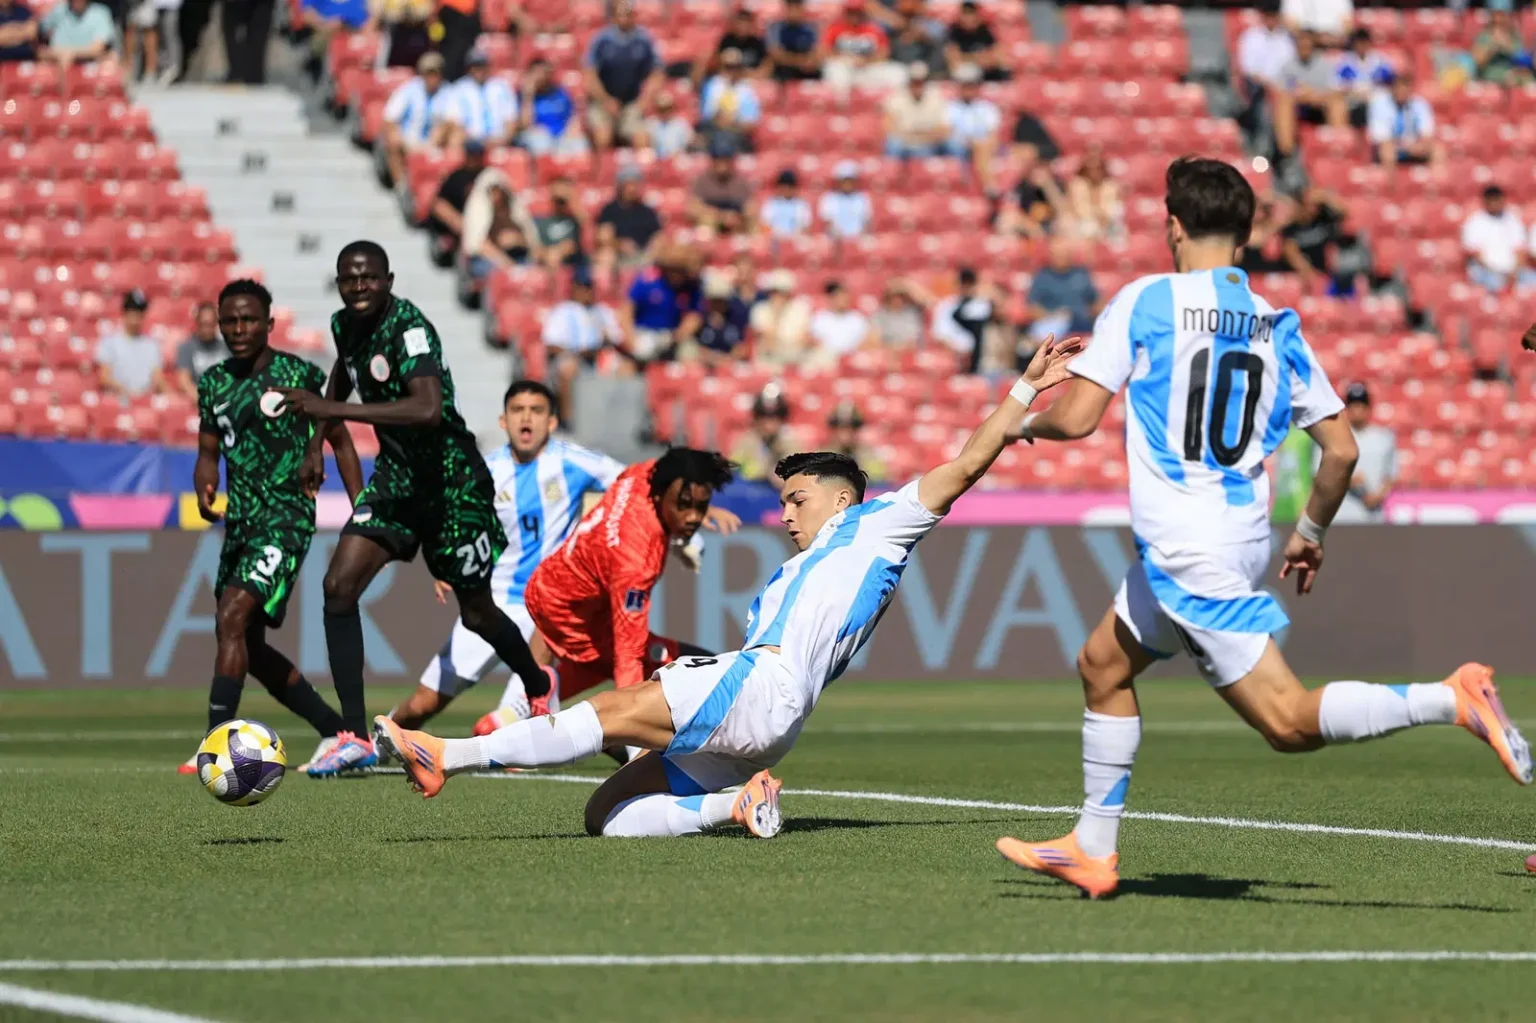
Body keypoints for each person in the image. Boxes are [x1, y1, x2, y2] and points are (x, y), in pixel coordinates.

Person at [995, 156, 1531, 900]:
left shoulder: (1145, 300)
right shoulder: (1277, 325)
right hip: (1234, 537)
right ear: (1245, 237)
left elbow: (1079, 417)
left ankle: (1452, 697)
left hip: (1187, 546)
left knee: (1285, 722)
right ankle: (1091, 845)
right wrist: (1310, 531)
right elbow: (1340, 449)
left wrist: (1016, 427)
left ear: (1172, 226)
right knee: (1102, 666)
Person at [373, 339, 1084, 840]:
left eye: (799, 498)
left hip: (760, 684)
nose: (786, 513)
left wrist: (1024, 388)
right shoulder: (803, 564)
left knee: (613, 708)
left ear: (842, 499)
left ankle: (447, 755)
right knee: (608, 814)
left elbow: (962, 466)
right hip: (772, 716)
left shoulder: (877, 524)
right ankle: (734, 804)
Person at [274, 241, 553, 776]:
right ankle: (352, 735)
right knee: (338, 588)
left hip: (451, 482)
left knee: (476, 614)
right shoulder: (344, 326)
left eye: (369, 278)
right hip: (399, 481)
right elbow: (340, 373)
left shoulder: (410, 328)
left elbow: (426, 408)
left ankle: (537, 685)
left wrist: (332, 410)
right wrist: (316, 443)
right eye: (349, 279)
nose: (359, 287)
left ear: (389, 279)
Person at [184, 279, 364, 774]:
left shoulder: (297, 375)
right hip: (240, 523)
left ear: (268, 323)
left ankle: (213, 744)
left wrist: (361, 512)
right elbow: (207, 452)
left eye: (248, 320)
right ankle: (336, 731)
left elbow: (341, 442)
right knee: (251, 647)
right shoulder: (214, 382)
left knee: (231, 617)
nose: (238, 329)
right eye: (229, 320)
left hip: (284, 521)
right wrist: (204, 484)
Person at [396, 380, 624, 731]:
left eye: (536, 411)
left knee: (523, 713)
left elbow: (634, 482)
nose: (526, 419)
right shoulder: (484, 471)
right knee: (420, 705)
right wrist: (445, 567)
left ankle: (514, 722)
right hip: (492, 604)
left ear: (551, 422)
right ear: (504, 421)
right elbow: (454, 524)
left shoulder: (574, 462)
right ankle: (375, 744)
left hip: (547, 604)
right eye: (518, 411)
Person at [508, 448, 737, 710]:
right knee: (663, 661)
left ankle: (514, 714)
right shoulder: (637, 559)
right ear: (661, 495)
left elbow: (674, 481)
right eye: (684, 505)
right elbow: (629, 655)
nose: (694, 517)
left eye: (701, 506)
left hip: (557, 584)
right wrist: (631, 721)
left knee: (597, 667)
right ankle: (606, 736)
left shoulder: (643, 474)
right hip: (571, 613)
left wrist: (691, 517)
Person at [542, 266, 623, 419]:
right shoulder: (563, 311)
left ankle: (614, 419)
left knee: (624, 368)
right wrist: (578, 352)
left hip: (599, 356)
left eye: (589, 287)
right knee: (568, 368)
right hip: (573, 357)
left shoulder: (602, 311)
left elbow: (616, 337)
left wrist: (606, 339)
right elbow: (551, 345)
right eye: (582, 287)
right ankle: (570, 420)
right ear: (574, 288)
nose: (587, 291)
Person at [584, 2, 660, 152]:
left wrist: (644, 101)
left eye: (628, 14)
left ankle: (639, 174)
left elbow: (656, 73)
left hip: (631, 104)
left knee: (642, 140)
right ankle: (603, 173)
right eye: (621, 15)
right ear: (613, 17)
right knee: (603, 138)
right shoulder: (602, 40)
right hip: (603, 103)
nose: (624, 19)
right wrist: (606, 100)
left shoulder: (643, 40)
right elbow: (590, 75)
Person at [381, 53, 456, 190]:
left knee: (455, 135)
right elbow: (390, 117)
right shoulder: (408, 89)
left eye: (435, 73)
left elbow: (452, 120)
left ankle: (445, 186)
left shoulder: (448, 91)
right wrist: (403, 140)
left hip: (436, 141)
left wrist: (434, 140)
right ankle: (401, 186)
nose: (431, 78)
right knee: (392, 138)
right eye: (428, 73)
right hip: (409, 140)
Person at [1272, 30, 1347, 160]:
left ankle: (1339, 146)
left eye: (1307, 46)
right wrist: (1304, 95)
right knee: (1284, 104)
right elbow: (1284, 90)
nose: (1304, 49)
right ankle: (1286, 151)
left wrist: (1315, 95)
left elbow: (1335, 89)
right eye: (1301, 46)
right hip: (1298, 107)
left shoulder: (1325, 65)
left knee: (1337, 103)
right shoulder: (1288, 66)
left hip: (1321, 104)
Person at [621, 243, 703, 364]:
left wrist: (677, 336)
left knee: (690, 353)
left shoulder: (692, 286)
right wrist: (632, 339)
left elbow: (695, 316)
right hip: (643, 334)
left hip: (671, 336)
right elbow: (626, 311)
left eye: (680, 269)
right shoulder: (646, 281)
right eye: (672, 269)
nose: (676, 274)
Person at [1328, 382, 1396, 523]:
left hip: (1374, 514)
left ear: (1368, 408)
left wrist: (1378, 495)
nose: (1357, 410)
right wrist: (1346, 479)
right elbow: (1321, 473)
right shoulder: (1336, 438)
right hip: (1345, 514)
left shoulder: (1384, 437)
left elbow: (1391, 474)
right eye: (1352, 406)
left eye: (1361, 405)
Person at [1025, 236, 1100, 344]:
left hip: (1080, 322)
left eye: (1064, 254)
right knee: (1045, 331)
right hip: (1053, 322)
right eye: (1058, 255)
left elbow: (1096, 301)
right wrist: (1052, 316)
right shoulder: (1042, 276)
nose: (1061, 258)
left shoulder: (1081, 274)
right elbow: (1032, 306)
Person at [1462, 185, 1534, 293]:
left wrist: (1514, 271)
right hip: (1486, 271)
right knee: (1495, 284)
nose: (1495, 203)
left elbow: (1520, 250)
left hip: (1513, 271)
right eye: (1492, 199)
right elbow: (1476, 255)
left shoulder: (1512, 219)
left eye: (1497, 199)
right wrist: (1498, 273)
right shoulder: (1474, 222)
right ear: (1485, 201)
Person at [425, 138, 486, 266]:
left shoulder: (487, 176)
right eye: (471, 154)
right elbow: (438, 204)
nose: (473, 158)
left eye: (476, 154)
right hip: (460, 222)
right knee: (441, 208)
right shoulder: (456, 176)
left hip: (484, 219)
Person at [1366, 70, 1442, 169]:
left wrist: (1420, 146)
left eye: (1405, 86)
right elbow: (1382, 139)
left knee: (1438, 151)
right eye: (1398, 86)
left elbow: (1427, 134)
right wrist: (1406, 147)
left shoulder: (1420, 104)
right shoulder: (1379, 104)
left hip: (1414, 147)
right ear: (1392, 88)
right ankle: (1390, 183)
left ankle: (1433, 184)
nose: (1401, 90)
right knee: (1387, 152)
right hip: (1392, 147)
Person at [97, 290, 166, 399]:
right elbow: (104, 377)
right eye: (132, 313)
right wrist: (124, 390)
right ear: (124, 314)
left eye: (139, 314)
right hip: (119, 399)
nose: (135, 319)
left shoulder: (152, 345)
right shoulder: (110, 342)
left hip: (145, 402)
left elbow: (157, 378)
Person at [944, 63, 1000, 194]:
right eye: (965, 85)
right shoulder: (951, 107)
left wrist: (979, 143)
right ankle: (989, 183)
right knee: (973, 145)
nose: (968, 89)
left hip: (981, 145)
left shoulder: (988, 108)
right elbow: (947, 132)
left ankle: (987, 185)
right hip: (958, 145)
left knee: (982, 146)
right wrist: (969, 141)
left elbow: (993, 134)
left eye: (972, 85)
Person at [822, 0, 896, 98]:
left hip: (867, 68)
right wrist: (846, 59)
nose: (854, 16)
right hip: (844, 66)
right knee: (836, 70)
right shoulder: (835, 28)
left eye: (857, 12)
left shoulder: (873, 29)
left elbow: (884, 52)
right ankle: (841, 107)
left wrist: (867, 61)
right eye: (851, 12)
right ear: (846, 13)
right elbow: (824, 51)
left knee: (896, 73)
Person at [515, 56, 587, 157]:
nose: (542, 77)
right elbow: (525, 124)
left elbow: (573, 115)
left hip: (562, 137)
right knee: (541, 142)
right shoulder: (524, 96)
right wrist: (528, 95)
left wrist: (572, 127)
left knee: (580, 143)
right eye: (537, 73)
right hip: (538, 137)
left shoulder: (560, 93)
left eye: (545, 73)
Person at [446, 48, 518, 148]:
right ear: (469, 68)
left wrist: (502, 140)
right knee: (455, 139)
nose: (478, 70)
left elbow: (511, 120)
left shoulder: (502, 87)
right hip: (470, 141)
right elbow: (455, 122)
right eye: (475, 66)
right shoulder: (459, 89)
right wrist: (474, 140)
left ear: (488, 66)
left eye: (481, 66)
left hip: (498, 140)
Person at [730, 385, 801, 482]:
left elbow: (796, 472)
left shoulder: (788, 442)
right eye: (763, 416)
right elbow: (733, 469)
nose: (769, 423)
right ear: (756, 418)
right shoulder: (747, 441)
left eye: (776, 416)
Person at [596, 166, 662, 269]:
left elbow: (658, 236)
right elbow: (603, 236)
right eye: (628, 184)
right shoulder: (610, 210)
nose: (632, 188)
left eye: (635, 184)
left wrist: (651, 250)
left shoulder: (647, 211)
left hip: (642, 255)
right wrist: (619, 244)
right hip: (618, 254)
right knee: (605, 255)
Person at [930, 266, 994, 373]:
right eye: (963, 283)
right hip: (951, 355)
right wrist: (955, 350)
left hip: (977, 358)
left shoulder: (983, 306)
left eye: (970, 283)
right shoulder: (945, 305)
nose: (966, 287)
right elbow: (938, 334)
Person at [699, 47, 762, 153]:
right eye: (728, 66)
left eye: (735, 67)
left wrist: (732, 124)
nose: (731, 71)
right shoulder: (712, 85)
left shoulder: (747, 89)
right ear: (721, 66)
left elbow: (750, 121)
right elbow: (706, 115)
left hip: (738, 133)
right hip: (714, 132)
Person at [688, 139, 754, 235]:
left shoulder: (740, 182)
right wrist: (721, 217)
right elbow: (693, 208)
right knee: (707, 220)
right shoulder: (702, 181)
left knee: (752, 221)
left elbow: (751, 206)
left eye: (725, 161)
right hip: (712, 221)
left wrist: (738, 217)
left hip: (736, 222)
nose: (722, 165)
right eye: (718, 160)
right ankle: (707, 248)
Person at [883, 62, 948, 159]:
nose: (917, 85)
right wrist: (910, 137)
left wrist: (923, 138)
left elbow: (943, 129)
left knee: (924, 151)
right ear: (909, 81)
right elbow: (888, 126)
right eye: (914, 81)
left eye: (921, 81)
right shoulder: (896, 97)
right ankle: (890, 172)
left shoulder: (936, 97)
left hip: (928, 141)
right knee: (893, 143)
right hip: (904, 140)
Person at [997, 144, 1062, 239]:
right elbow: (1010, 210)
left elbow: (1062, 210)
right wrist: (1031, 226)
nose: (1038, 171)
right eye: (1035, 166)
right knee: (1006, 222)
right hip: (1028, 227)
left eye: (1041, 166)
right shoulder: (1020, 186)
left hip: (1052, 227)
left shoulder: (1056, 184)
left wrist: (1048, 186)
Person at [749, 269, 812, 366]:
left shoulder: (800, 308)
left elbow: (803, 337)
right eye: (775, 291)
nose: (778, 295)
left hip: (795, 354)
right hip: (771, 356)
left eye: (782, 292)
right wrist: (776, 314)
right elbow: (767, 340)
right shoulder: (760, 309)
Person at [1061, 144, 1124, 241]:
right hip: (1082, 224)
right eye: (1091, 167)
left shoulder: (1111, 185)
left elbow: (1114, 210)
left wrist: (1102, 218)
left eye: (1097, 167)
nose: (1094, 171)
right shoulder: (1076, 185)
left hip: (1108, 224)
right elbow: (1072, 210)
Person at [692, 271, 751, 364]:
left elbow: (740, 349)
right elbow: (697, 349)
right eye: (714, 300)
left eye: (721, 300)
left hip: (729, 366)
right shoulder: (701, 320)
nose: (718, 304)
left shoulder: (734, 319)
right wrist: (713, 358)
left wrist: (726, 359)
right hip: (705, 366)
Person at [808, 279, 872, 364]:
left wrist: (850, 355)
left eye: (845, 296)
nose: (843, 299)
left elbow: (869, 340)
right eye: (839, 296)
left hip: (853, 357)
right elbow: (812, 340)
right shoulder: (820, 317)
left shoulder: (857, 318)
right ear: (831, 298)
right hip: (827, 358)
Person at [699, 5, 767, 83]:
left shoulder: (757, 42)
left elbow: (765, 65)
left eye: (746, 23)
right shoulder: (726, 40)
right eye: (740, 23)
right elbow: (719, 64)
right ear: (735, 23)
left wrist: (754, 74)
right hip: (728, 80)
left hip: (752, 80)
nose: (743, 26)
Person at [1472, 1, 1533, 87]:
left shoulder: (1514, 35)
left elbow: (1524, 61)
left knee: (1527, 80)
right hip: (1489, 78)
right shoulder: (1484, 35)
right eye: (1495, 15)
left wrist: (1507, 46)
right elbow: (1477, 62)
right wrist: (1493, 46)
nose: (1498, 19)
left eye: (1502, 15)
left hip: (1513, 76)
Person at [533, 177, 588, 270]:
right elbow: (536, 248)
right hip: (549, 260)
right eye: (557, 200)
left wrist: (571, 198)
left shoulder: (575, 219)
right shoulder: (542, 220)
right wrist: (550, 253)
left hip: (574, 263)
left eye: (562, 201)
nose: (560, 204)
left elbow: (588, 228)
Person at [38, 0, 115, 67]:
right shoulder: (58, 10)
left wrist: (72, 54)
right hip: (56, 63)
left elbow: (97, 49)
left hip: (89, 64)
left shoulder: (100, 13)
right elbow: (41, 47)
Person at [825, 399, 887, 482]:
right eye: (840, 426)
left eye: (852, 426)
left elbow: (879, 480)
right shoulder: (823, 454)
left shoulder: (867, 454)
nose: (846, 432)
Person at [174, 302, 225, 400]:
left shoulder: (227, 348)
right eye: (204, 324)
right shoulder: (186, 348)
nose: (207, 329)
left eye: (211, 324)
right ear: (197, 323)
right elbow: (184, 381)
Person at [945, 1, 1004, 82]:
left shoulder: (986, 31)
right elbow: (954, 60)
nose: (968, 18)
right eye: (965, 14)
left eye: (971, 14)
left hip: (987, 76)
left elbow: (997, 58)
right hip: (964, 77)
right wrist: (977, 57)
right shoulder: (954, 31)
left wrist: (966, 57)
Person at [766, 0, 820, 82]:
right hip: (783, 71)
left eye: (797, 8)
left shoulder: (810, 28)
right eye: (791, 8)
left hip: (806, 71)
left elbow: (817, 53)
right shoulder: (776, 28)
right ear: (786, 9)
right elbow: (776, 55)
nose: (794, 12)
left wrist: (809, 61)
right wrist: (800, 61)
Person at [818, 159, 873, 239]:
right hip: (835, 240)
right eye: (844, 180)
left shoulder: (862, 198)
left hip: (858, 239)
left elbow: (866, 222)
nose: (847, 184)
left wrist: (859, 238)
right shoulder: (829, 198)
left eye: (850, 180)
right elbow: (827, 222)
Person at [760, 168, 813, 238]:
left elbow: (806, 227)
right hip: (775, 239)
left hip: (795, 239)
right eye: (784, 187)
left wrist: (794, 235)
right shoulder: (770, 204)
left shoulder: (801, 204)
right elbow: (765, 225)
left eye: (789, 187)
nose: (786, 190)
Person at [642, 90, 693, 158]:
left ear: (672, 108)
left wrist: (677, 153)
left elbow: (688, 144)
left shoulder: (681, 124)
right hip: (655, 157)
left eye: (667, 109)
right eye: (661, 109)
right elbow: (646, 144)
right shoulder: (651, 123)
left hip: (677, 158)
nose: (665, 112)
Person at [1281, 0, 1352, 48]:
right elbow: (1289, 24)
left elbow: (1348, 27)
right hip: (1303, 50)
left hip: (1336, 49)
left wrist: (1327, 39)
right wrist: (1317, 39)